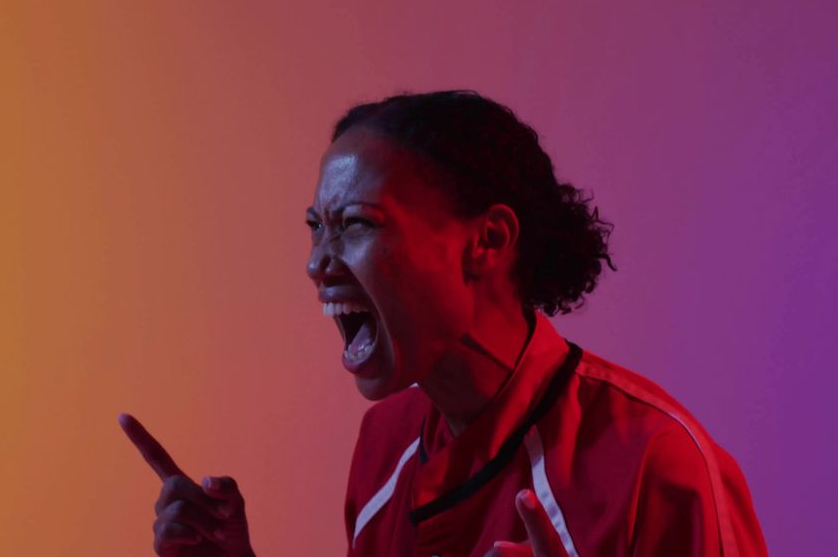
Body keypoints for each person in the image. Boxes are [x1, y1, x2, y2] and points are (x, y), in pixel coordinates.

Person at [120, 90, 768, 556]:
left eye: (356, 225)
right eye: (316, 228)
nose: (317, 263)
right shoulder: (384, 447)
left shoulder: (658, 464)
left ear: (485, 240)